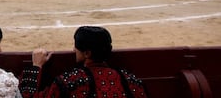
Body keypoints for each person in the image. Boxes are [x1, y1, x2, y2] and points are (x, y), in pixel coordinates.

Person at [19, 26, 147, 98]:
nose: (74, 49)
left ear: (87, 53)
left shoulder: (70, 81)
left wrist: (36, 67)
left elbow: (28, 96)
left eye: (76, 47)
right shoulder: (130, 80)